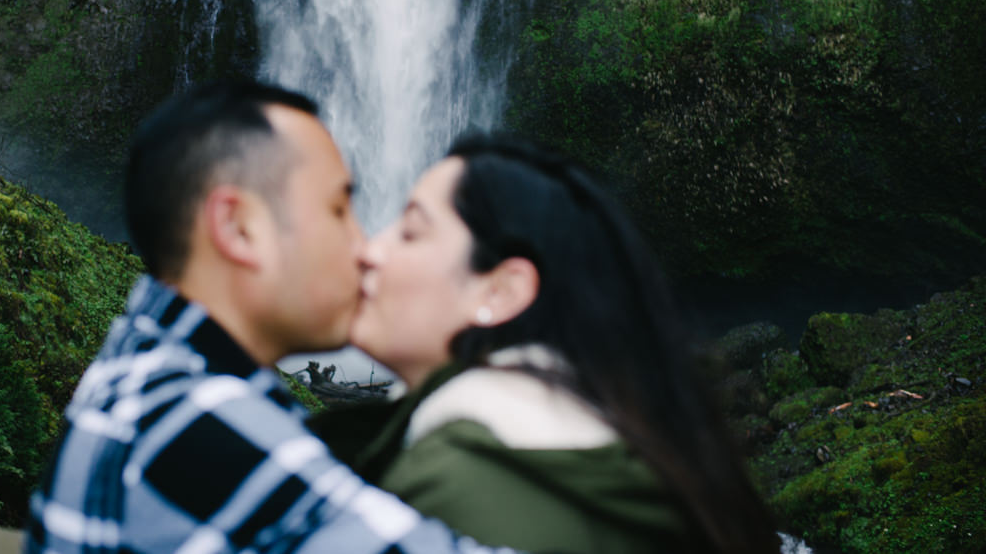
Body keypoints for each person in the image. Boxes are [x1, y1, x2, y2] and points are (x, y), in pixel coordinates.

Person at [23, 81, 522, 554]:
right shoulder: (199, 424)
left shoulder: (144, 375)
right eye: (338, 210)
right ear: (239, 229)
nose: (365, 248)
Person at [312, 134, 780, 554]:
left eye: (410, 231)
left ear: (500, 291)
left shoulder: (460, 485)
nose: (368, 251)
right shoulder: (626, 456)